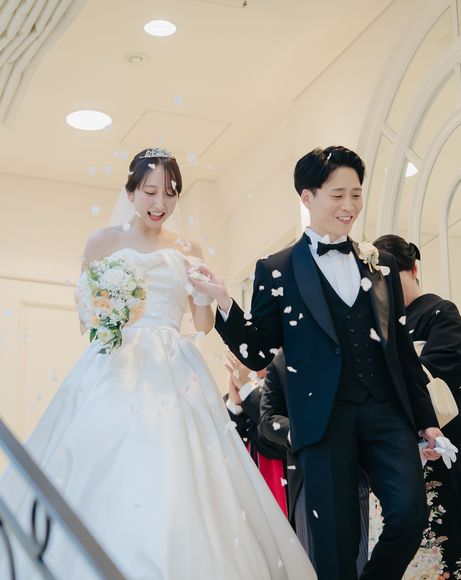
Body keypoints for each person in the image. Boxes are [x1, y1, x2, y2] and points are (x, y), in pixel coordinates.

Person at [0, 148, 315, 580]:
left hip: (173, 366)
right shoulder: (102, 242)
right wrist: (111, 312)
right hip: (114, 363)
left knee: (180, 465)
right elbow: (85, 318)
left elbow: (202, 324)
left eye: (170, 193)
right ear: (130, 192)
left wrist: (205, 296)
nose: (160, 203)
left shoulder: (188, 249)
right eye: (150, 191)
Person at [192, 145, 444, 580]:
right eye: (337, 195)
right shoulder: (277, 269)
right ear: (307, 197)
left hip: (386, 412)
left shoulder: (381, 264)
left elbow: (401, 350)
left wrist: (427, 421)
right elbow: (258, 351)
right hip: (323, 422)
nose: (349, 206)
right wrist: (225, 303)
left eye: (356, 195)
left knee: (410, 513)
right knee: (335, 546)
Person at [374, 234, 461, 578]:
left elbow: (449, 369)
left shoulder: (440, 312)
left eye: (393, 275)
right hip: (395, 450)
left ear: (414, 270)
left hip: (435, 445)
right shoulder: (381, 324)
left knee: (440, 544)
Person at [259, 349, 371, 577]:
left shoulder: (345, 348)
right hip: (307, 476)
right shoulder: (281, 359)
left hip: (357, 469)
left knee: (362, 560)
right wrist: (302, 433)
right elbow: (267, 418)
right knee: (316, 564)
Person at [224, 353, 289, 516]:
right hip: (248, 492)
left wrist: (249, 392)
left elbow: (276, 439)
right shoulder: (232, 397)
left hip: (282, 486)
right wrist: (236, 405)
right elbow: (225, 449)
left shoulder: (285, 383)